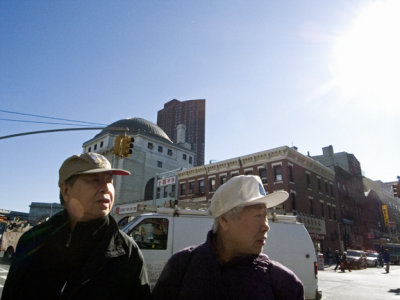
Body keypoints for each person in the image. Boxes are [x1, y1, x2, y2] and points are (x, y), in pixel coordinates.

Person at [3, 152, 151, 300]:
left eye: (109, 180)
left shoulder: (128, 252)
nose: (105, 188)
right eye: (94, 180)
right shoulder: (34, 240)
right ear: (66, 190)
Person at [152, 175, 304, 299]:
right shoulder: (181, 266)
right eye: (259, 216)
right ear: (224, 220)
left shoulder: (284, 283)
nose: (266, 226)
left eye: (266, 217)